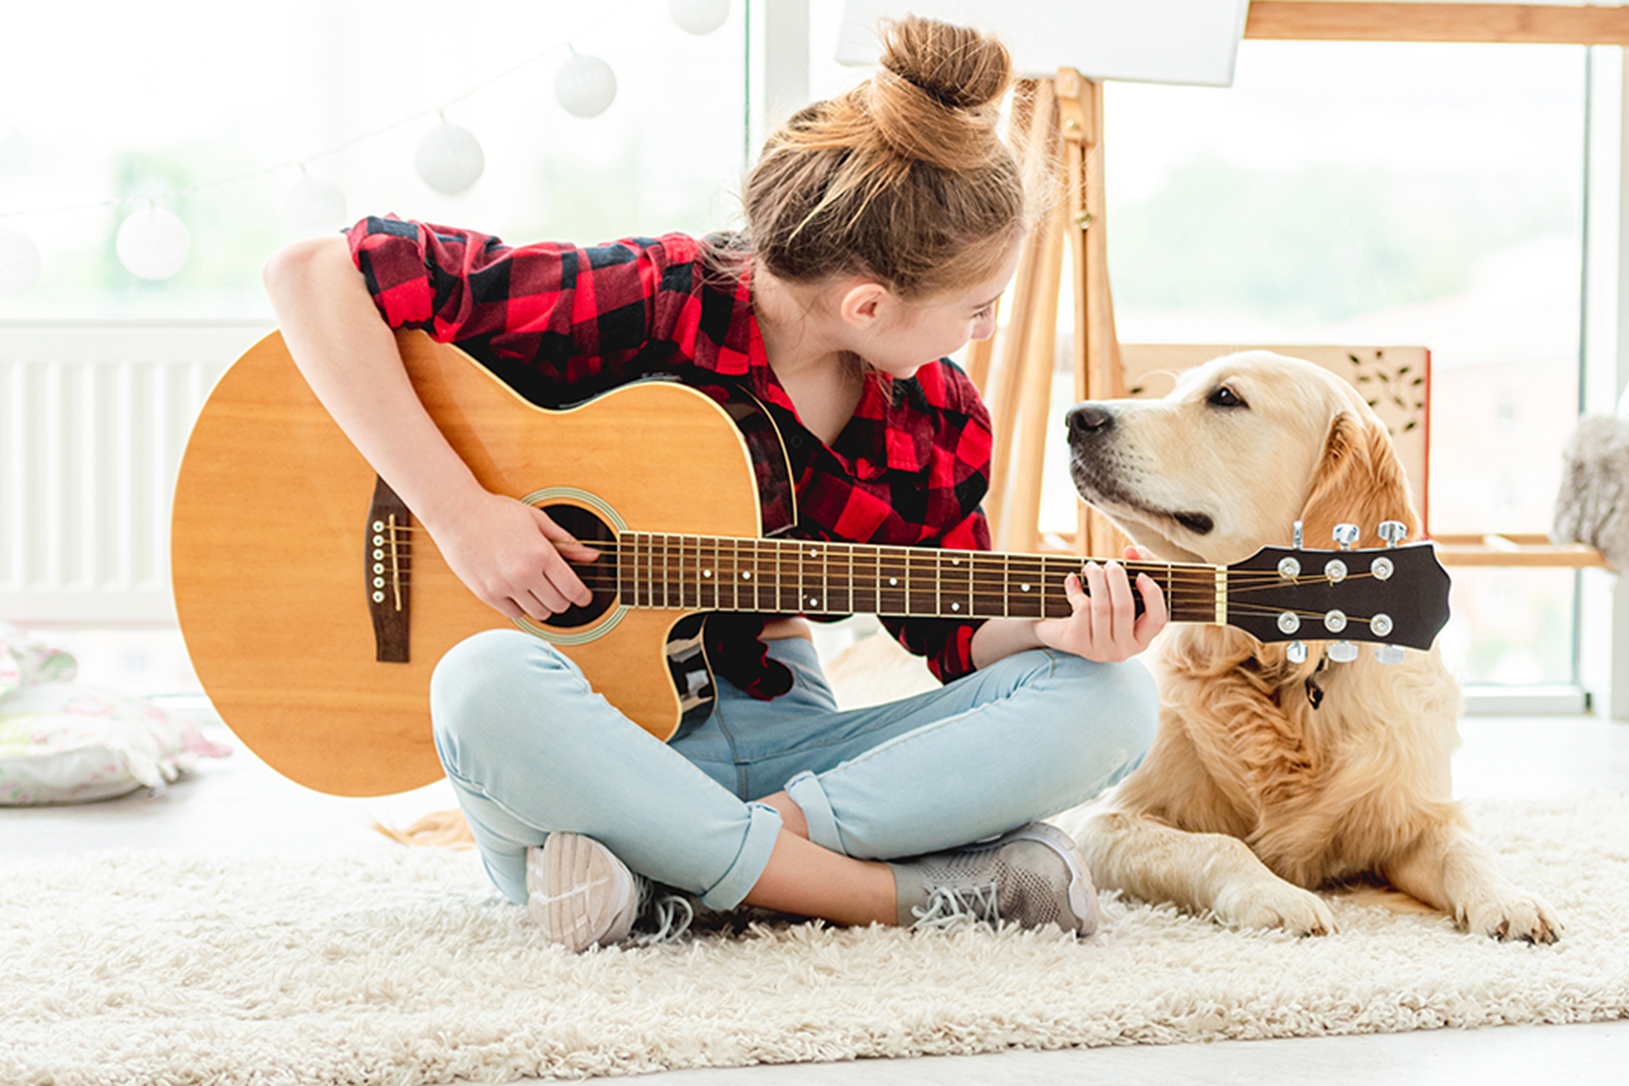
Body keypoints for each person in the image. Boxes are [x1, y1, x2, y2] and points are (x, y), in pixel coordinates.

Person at [262, 17, 1164, 951]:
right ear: (868, 305)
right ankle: (881, 895)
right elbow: (314, 271)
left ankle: (669, 877)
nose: (982, 331)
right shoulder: (651, 299)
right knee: (481, 680)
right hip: (586, 756)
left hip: (789, 754)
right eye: (976, 307)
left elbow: (951, 632)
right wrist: (458, 515)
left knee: (1112, 700)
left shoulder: (934, 416)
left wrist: (1054, 628)